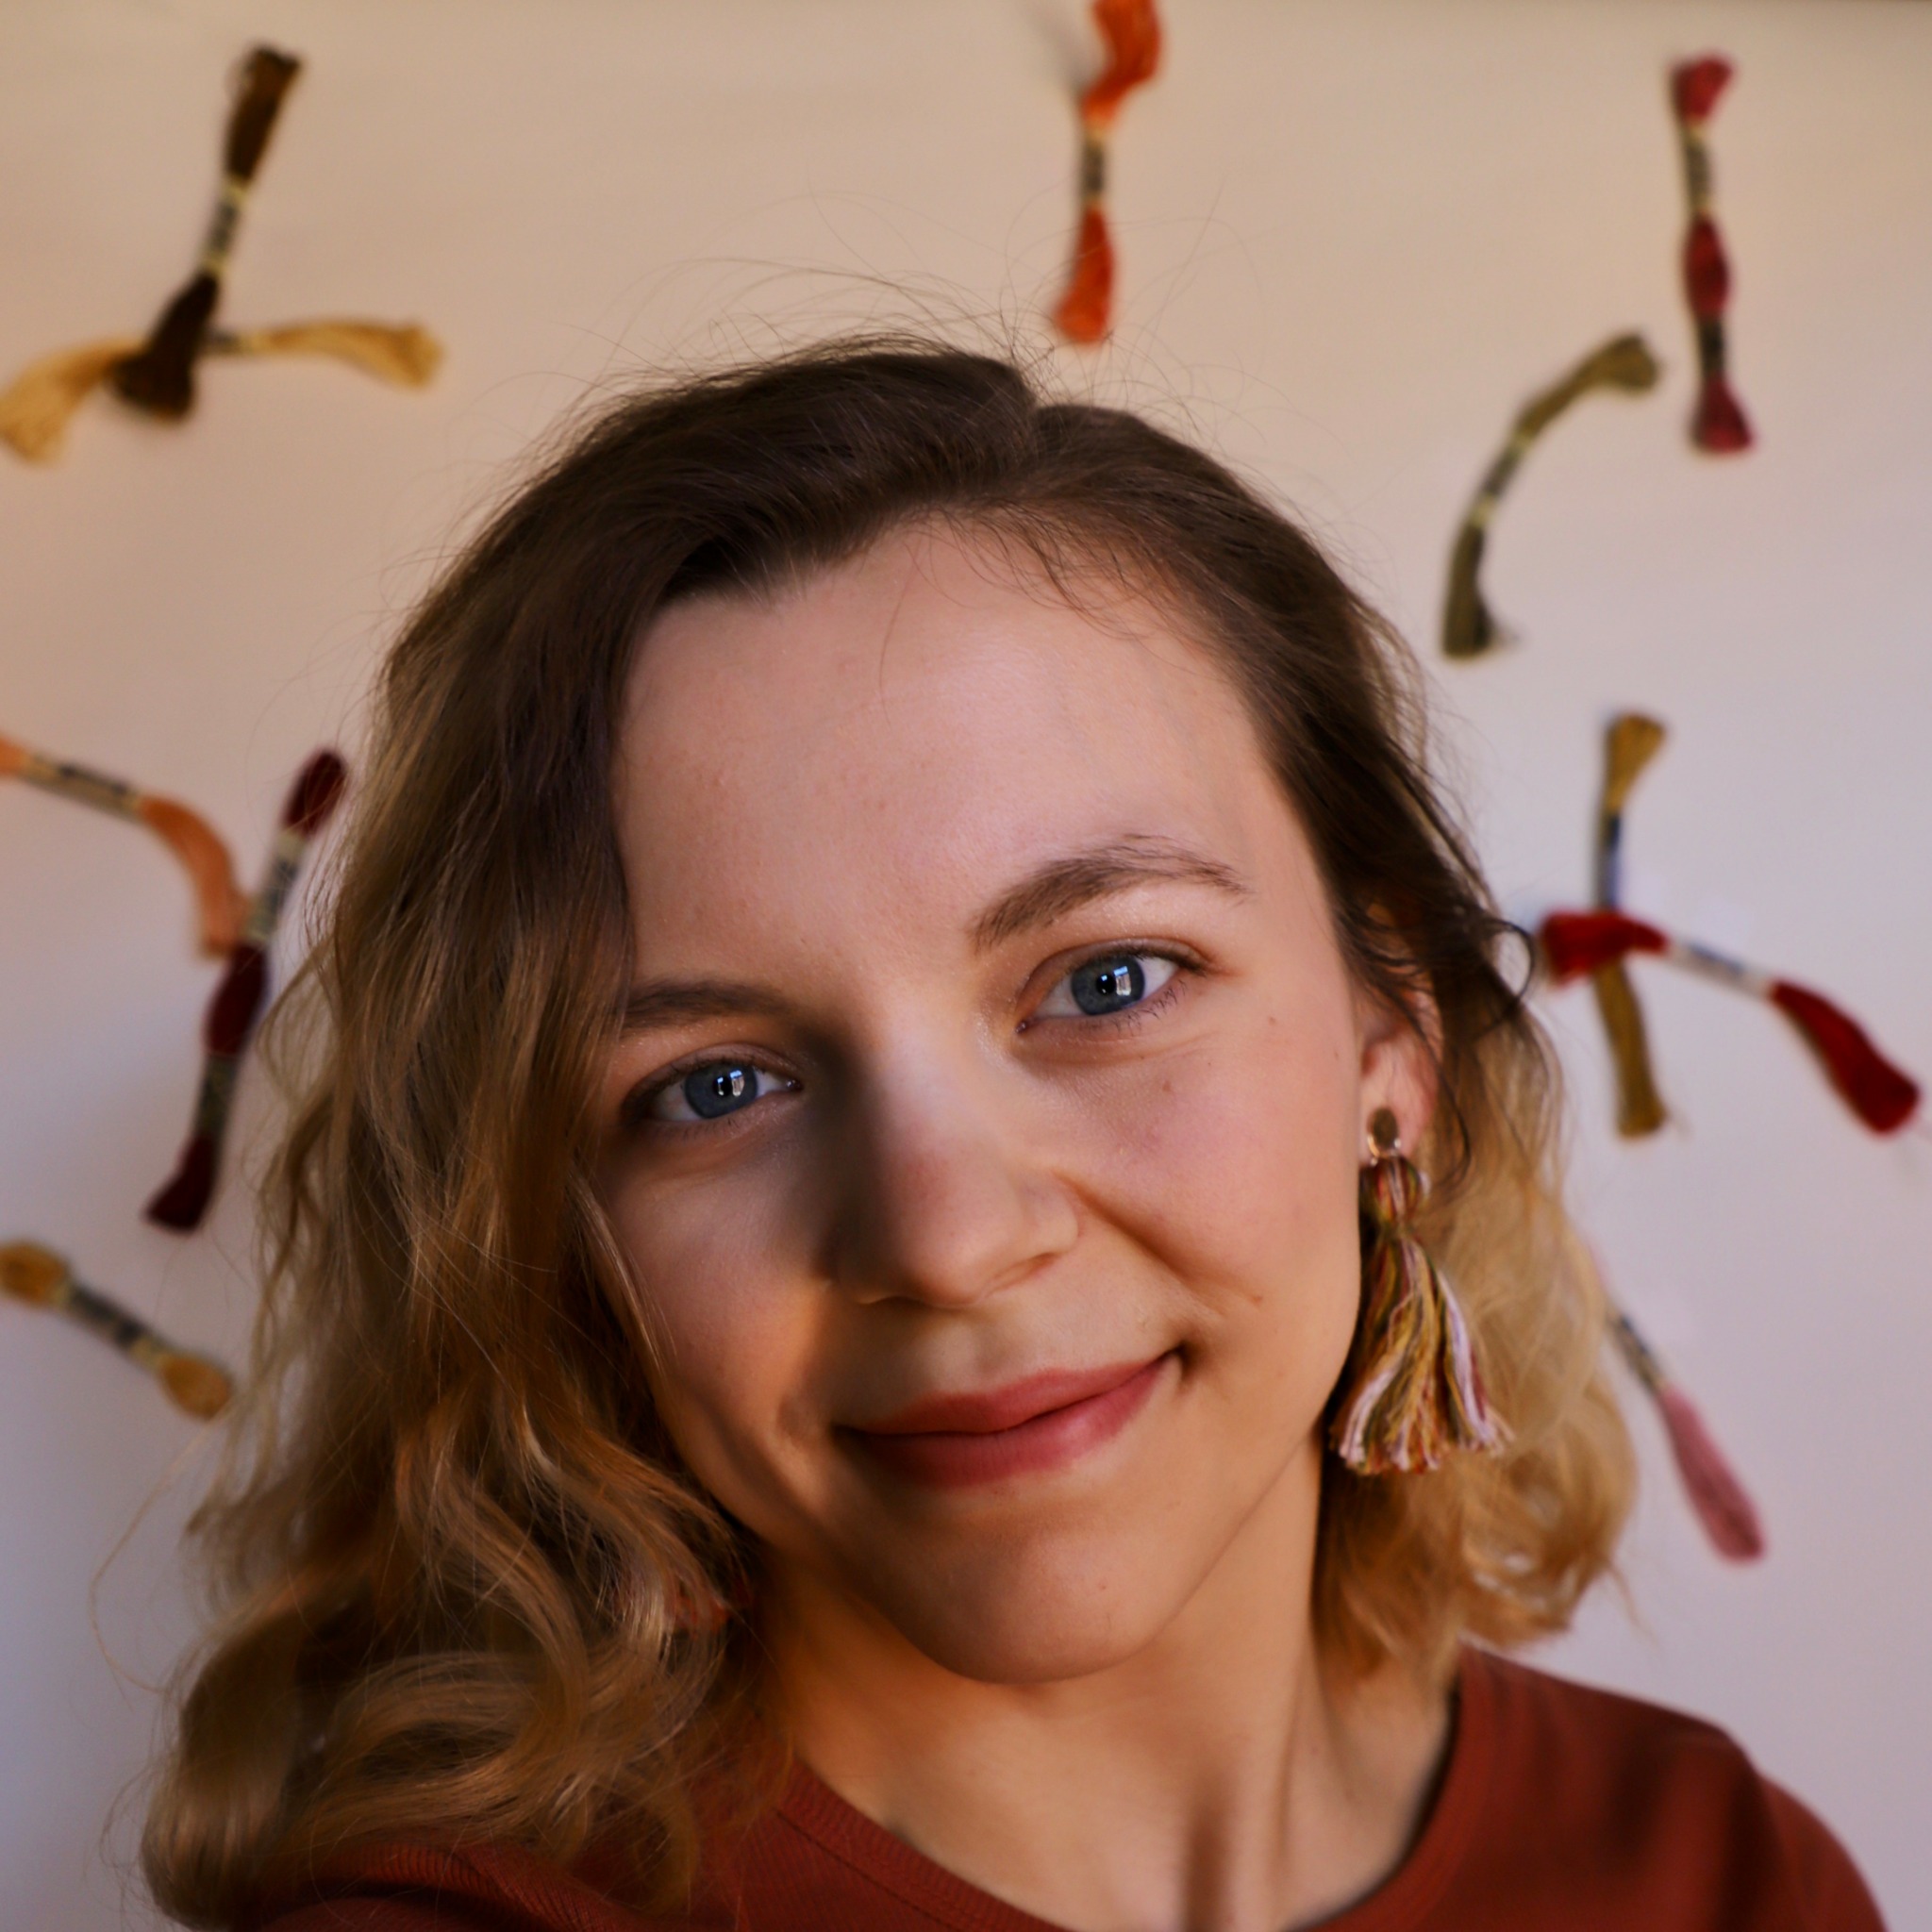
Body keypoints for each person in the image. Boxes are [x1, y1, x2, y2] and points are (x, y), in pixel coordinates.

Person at [142, 341, 1882, 1931]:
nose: (949, 1239)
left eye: (1110, 981)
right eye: (715, 1086)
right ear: (559, 1231)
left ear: (1391, 1041)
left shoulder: (1723, 1878)